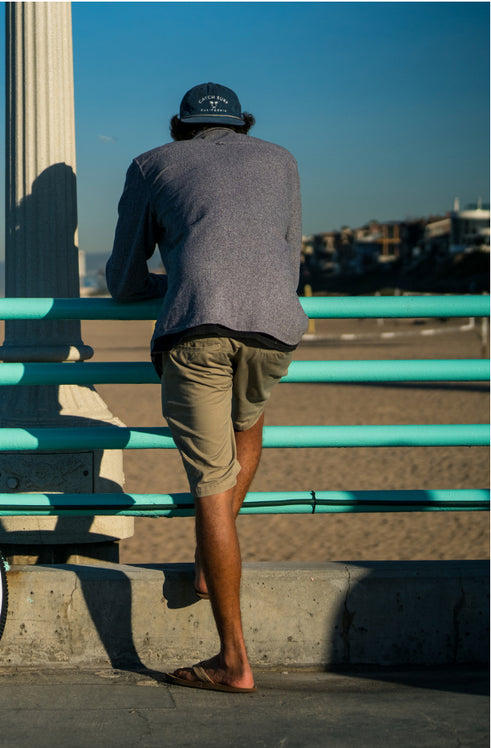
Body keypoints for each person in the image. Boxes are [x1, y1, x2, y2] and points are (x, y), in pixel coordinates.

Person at [106, 82, 308, 693]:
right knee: (248, 426)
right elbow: (289, 254)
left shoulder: (152, 164)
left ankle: (233, 661)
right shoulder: (281, 160)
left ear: (179, 126)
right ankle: (207, 566)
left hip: (197, 326)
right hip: (275, 327)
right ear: (242, 125)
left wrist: (175, 281)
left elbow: (122, 278)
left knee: (211, 491)